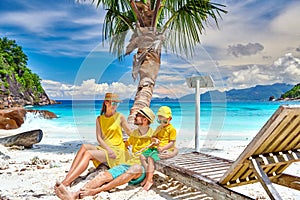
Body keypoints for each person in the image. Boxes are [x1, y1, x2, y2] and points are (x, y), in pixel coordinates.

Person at [55, 107, 156, 199]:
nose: (135, 116)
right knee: (102, 177)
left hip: (140, 170)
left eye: (138, 115)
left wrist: (148, 180)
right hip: (126, 165)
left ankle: (97, 190)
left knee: (135, 168)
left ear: (145, 119)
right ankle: (74, 195)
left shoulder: (154, 137)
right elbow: (126, 144)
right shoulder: (135, 134)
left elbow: (152, 160)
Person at [59, 93, 131, 187]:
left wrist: (147, 136)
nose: (115, 106)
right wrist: (108, 149)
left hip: (116, 151)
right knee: (84, 146)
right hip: (106, 149)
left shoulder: (120, 117)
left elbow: (130, 132)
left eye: (117, 104)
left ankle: (66, 182)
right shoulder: (99, 119)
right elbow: (99, 138)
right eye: (113, 103)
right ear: (106, 103)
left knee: (89, 153)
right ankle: (69, 176)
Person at [140, 106, 177, 191]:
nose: (162, 122)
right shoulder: (159, 128)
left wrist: (164, 148)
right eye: (160, 120)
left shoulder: (172, 129)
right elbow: (153, 137)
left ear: (169, 119)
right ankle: (147, 176)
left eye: (164, 120)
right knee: (142, 156)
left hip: (166, 150)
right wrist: (155, 139)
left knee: (150, 158)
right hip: (155, 148)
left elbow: (172, 142)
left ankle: (149, 180)